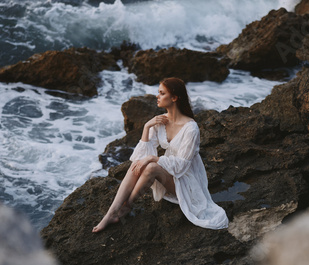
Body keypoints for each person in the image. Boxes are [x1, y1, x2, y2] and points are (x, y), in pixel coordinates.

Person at [92, 77, 228, 233]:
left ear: (174, 98)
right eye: (158, 92)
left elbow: (182, 165)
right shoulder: (161, 121)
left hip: (187, 183)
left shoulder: (191, 128)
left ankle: (125, 208)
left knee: (151, 167)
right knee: (138, 164)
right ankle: (110, 214)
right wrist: (146, 127)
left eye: (162, 93)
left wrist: (153, 158)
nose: (157, 96)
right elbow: (139, 157)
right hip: (170, 177)